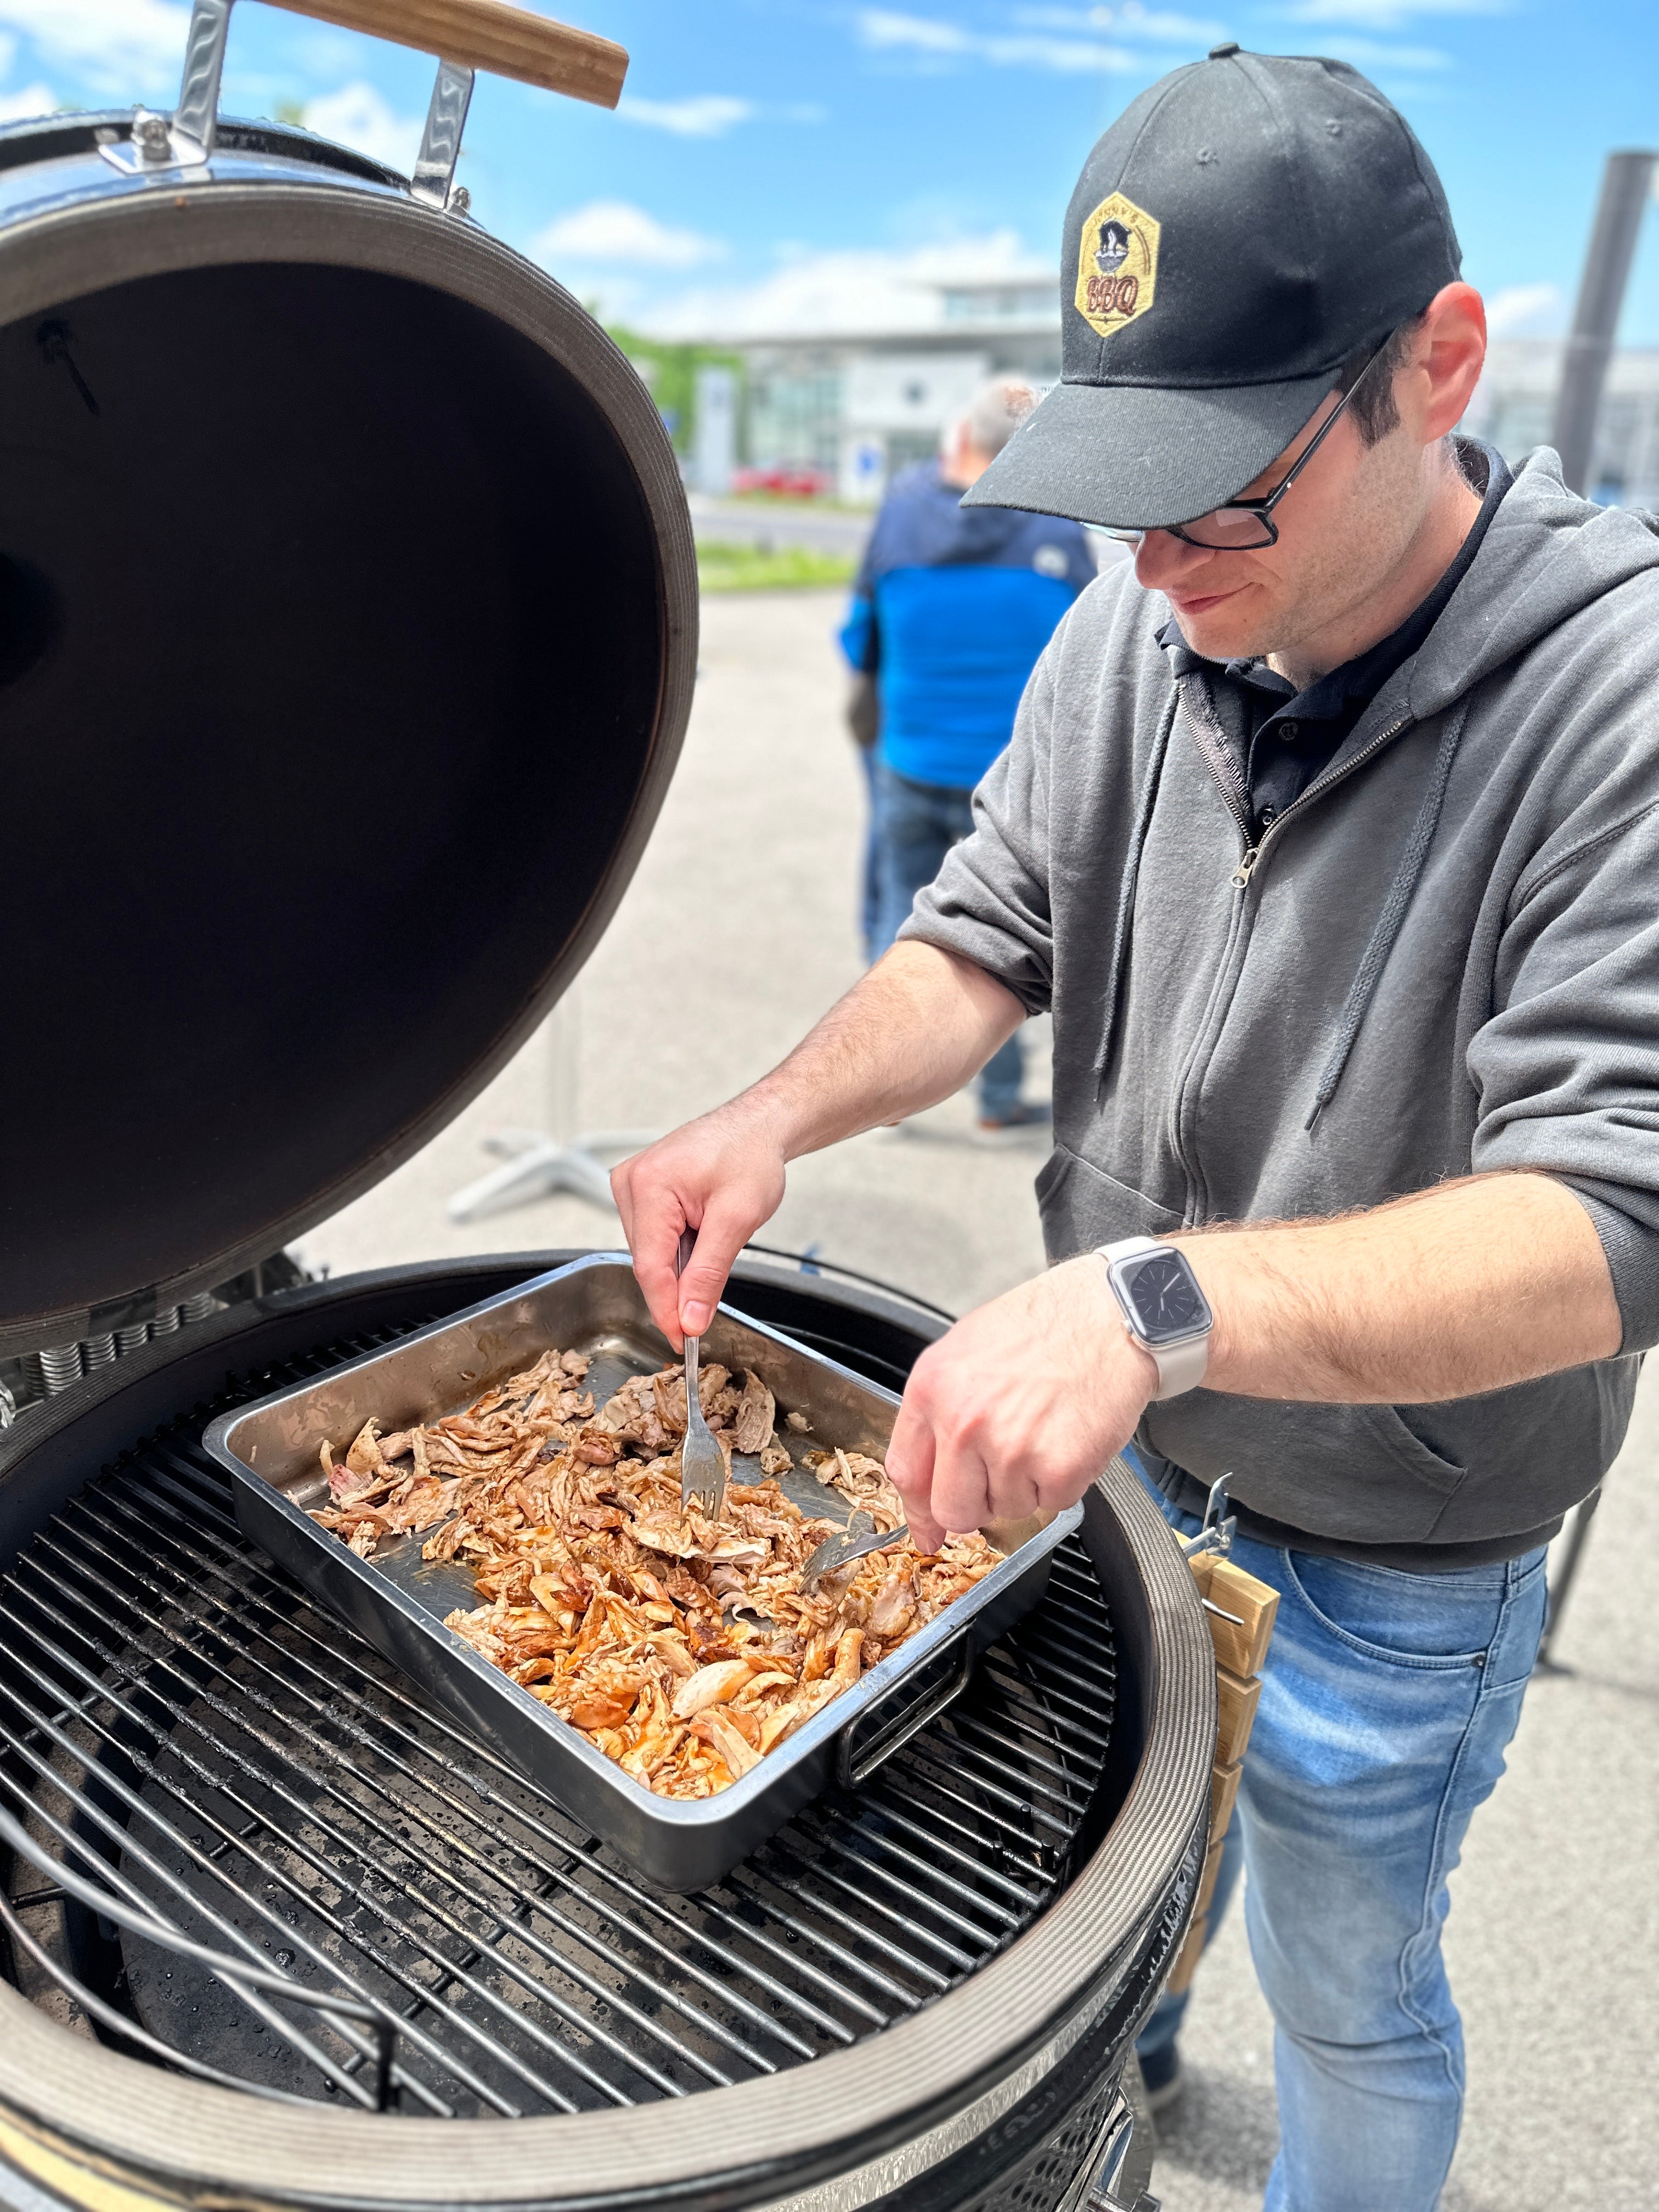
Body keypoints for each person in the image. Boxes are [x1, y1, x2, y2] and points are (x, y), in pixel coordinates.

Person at [613, 46, 1659, 2212]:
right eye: (1125, 491)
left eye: (1226, 493)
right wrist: (774, 1107)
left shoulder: (1613, 693)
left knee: (1352, 1982)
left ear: (1436, 370)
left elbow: (1612, 1217)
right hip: (1136, 1463)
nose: (1161, 558)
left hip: (1400, 1538)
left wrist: (1157, 1296)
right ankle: (1139, 2072)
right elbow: (981, 937)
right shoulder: (1138, 627)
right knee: (1122, 1898)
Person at [839, 379, 1093, 1130]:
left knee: (898, 911)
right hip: (1012, 784)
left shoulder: (902, 515)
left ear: (963, 440)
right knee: (1001, 942)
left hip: (909, 758)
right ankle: (996, 1098)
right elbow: (1089, 652)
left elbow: (859, 638)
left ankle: (873, 1097)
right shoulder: (1055, 536)